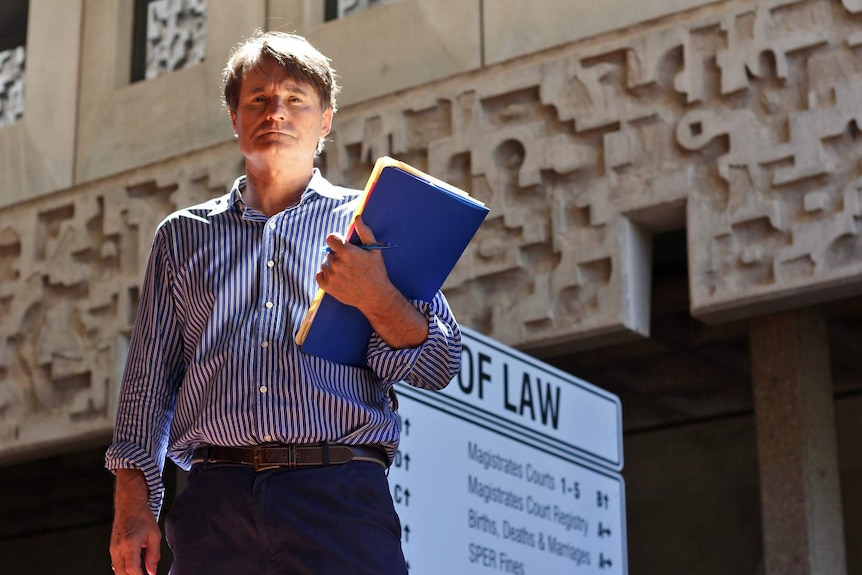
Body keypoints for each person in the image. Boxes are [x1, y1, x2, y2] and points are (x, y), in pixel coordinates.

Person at [105, 30, 462, 575]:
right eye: (258, 99)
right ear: (234, 117)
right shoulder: (180, 237)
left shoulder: (369, 223)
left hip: (339, 498)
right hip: (213, 506)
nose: (276, 111)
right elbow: (147, 386)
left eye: (296, 98)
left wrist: (377, 295)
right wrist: (133, 505)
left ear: (325, 120)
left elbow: (440, 364)